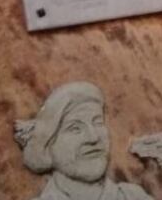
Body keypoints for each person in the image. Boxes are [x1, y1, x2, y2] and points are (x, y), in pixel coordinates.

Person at [15, 82, 153, 200]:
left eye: (97, 122)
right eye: (75, 128)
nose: (93, 138)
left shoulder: (132, 197)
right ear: (47, 146)